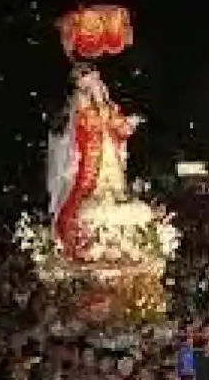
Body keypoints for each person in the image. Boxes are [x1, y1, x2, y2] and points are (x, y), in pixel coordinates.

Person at [48, 63, 144, 257]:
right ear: (80, 82)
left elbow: (118, 126)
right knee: (85, 196)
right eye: (91, 78)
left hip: (108, 153)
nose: (97, 82)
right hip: (90, 158)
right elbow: (88, 125)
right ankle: (80, 242)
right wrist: (102, 107)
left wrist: (129, 123)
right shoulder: (79, 102)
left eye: (97, 79)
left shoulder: (105, 105)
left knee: (115, 193)